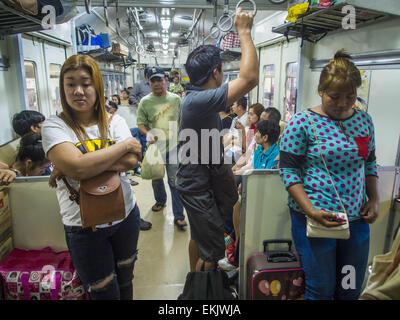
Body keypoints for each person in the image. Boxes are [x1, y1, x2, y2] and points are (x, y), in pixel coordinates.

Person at [279, 49, 379, 300]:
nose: (344, 103)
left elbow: (370, 164)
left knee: (350, 287)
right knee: (320, 287)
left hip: (356, 220)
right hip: (315, 220)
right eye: (334, 96)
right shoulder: (302, 123)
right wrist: (311, 210)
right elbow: (288, 171)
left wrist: (374, 199)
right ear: (321, 91)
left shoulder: (364, 122)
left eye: (350, 96)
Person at [41, 54, 143, 300]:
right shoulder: (54, 126)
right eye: (70, 84)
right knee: (103, 291)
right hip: (83, 226)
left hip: (125, 215)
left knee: (126, 280)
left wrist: (79, 163)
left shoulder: (114, 120)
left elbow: (132, 161)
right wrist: (123, 145)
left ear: (97, 86)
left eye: (85, 83)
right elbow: (79, 168)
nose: (78, 91)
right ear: (62, 88)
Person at [176, 7, 259, 272]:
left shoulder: (197, 100)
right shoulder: (199, 100)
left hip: (202, 178)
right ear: (216, 73)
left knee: (200, 239)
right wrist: (244, 31)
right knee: (212, 254)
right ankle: (205, 291)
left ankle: (194, 279)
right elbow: (250, 78)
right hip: (198, 185)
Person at [136, 66, 187, 230]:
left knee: (175, 181)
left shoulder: (175, 99)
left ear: (166, 80)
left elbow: (182, 120)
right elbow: (140, 124)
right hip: (155, 148)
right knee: (156, 178)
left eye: (160, 80)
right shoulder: (145, 102)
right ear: (148, 82)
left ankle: (179, 216)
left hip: (173, 147)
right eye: (153, 81)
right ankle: (160, 200)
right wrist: (147, 133)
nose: (157, 84)